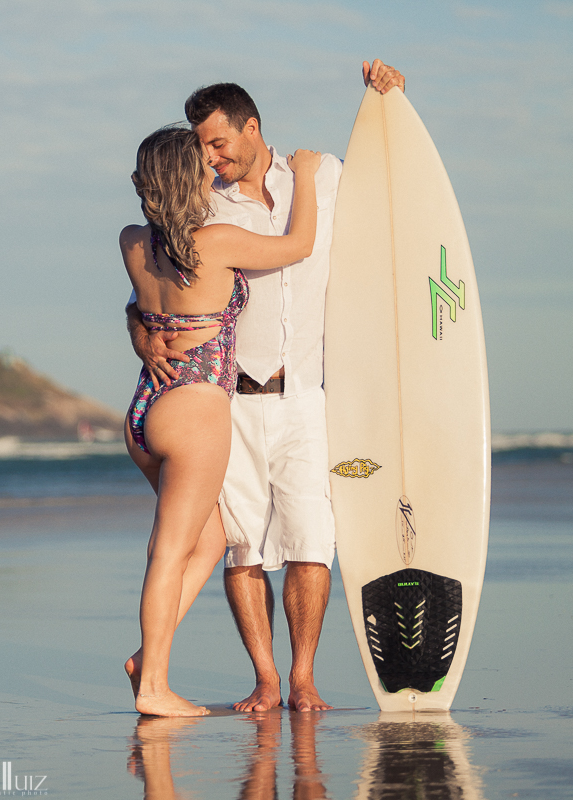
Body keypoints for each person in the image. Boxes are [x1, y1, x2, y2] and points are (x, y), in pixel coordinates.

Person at [126, 60, 406, 712]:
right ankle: (264, 678)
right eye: (200, 149)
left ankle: (301, 677)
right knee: (240, 549)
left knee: (312, 539)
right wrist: (141, 335)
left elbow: (392, 182)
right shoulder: (202, 210)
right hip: (226, 403)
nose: (211, 157)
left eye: (218, 142)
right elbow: (146, 300)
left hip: (302, 392)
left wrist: (392, 101)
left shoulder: (324, 175)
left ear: (251, 127)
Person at [120, 124, 322, 717]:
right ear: (193, 180)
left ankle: (145, 658)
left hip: (145, 408)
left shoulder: (131, 241)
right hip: (195, 411)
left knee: (213, 538)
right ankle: (154, 687)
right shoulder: (217, 242)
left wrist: (142, 334)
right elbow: (299, 245)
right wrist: (306, 177)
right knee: (168, 550)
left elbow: (140, 306)